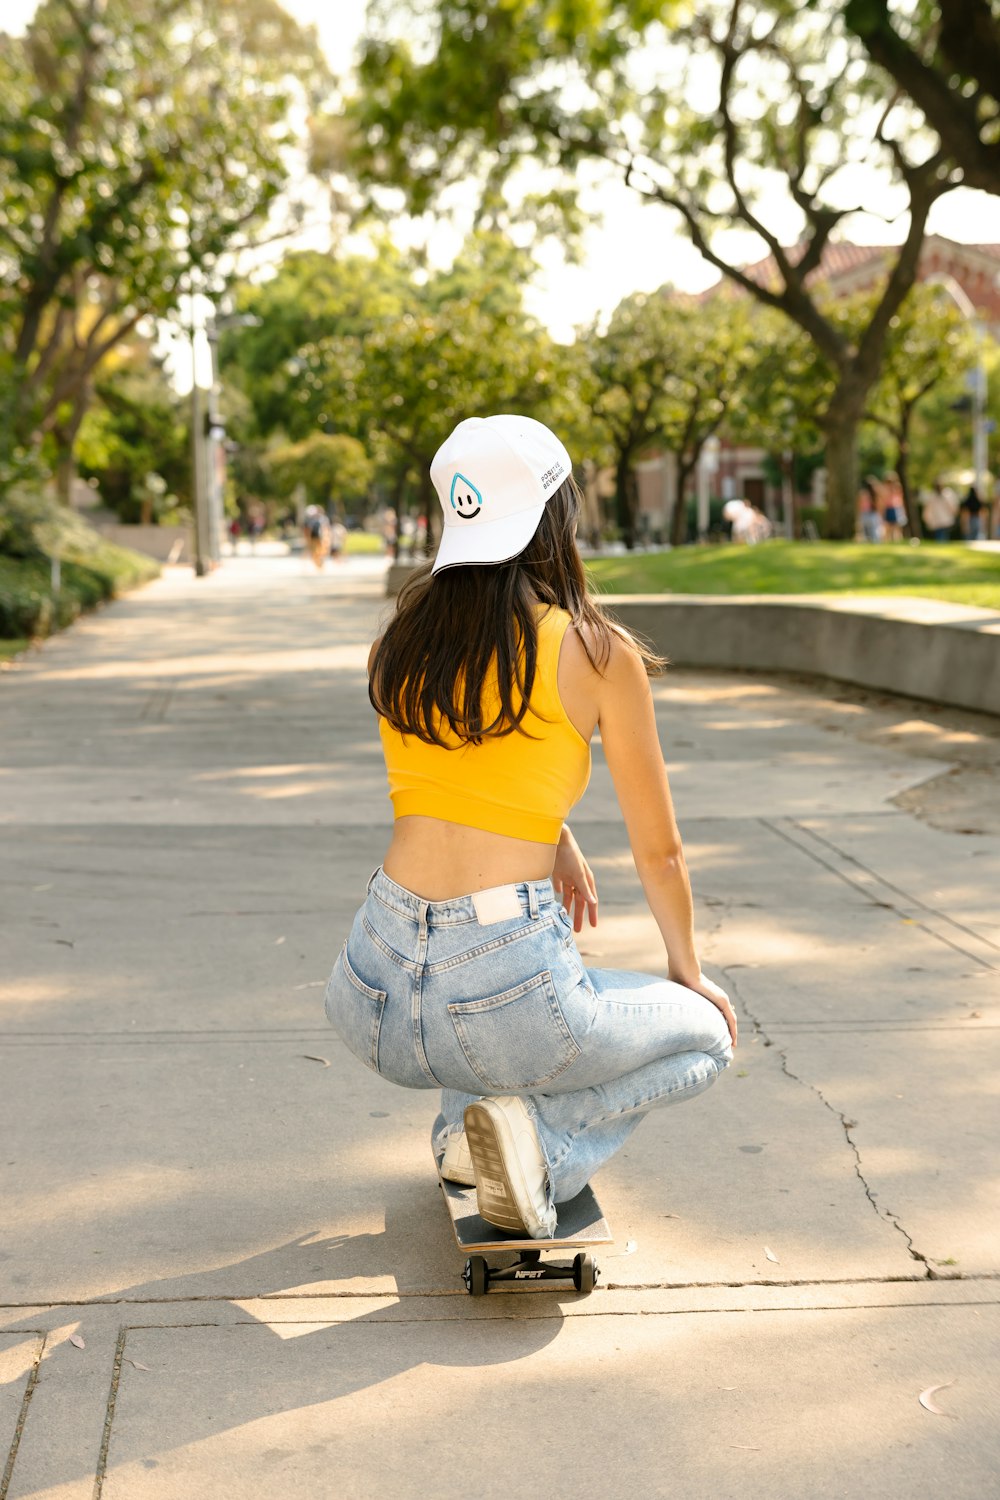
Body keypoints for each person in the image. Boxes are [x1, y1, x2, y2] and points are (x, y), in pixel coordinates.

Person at [324, 415, 736, 1240]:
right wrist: (689, 969)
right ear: (556, 515)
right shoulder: (593, 650)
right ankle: (539, 1146)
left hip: (371, 986)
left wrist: (556, 833)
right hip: (500, 991)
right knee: (708, 1040)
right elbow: (661, 852)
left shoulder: (400, 644)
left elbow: (461, 778)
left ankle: (460, 1140)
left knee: (487, 1029)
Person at [302, 505, 330, 570]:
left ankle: (319, 563)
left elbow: (326, 529)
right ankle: (318, 564)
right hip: (315, 538)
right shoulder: (313, 520)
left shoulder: (322, 519)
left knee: (320, 552)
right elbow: (308, 529)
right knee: (315, 552)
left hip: (320, 538)